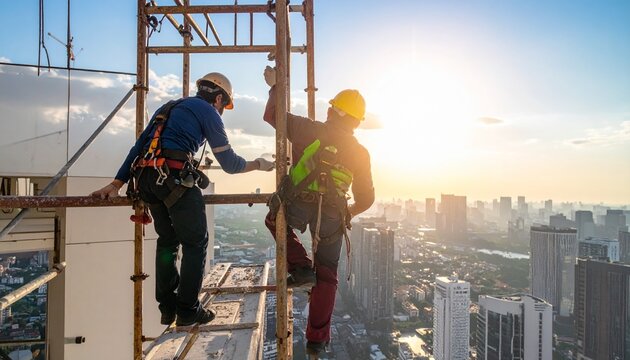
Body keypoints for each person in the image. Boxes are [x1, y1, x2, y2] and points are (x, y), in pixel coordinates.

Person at [90, 72, 274, 327]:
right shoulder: (208, 112)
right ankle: (187, 309)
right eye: (224, 107)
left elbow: (137, 148)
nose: (222, 112)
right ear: (219, 98)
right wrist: (259, 164)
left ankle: (167, 307)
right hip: (172, 178)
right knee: (196, 242)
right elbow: (230, 164)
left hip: (146, 179)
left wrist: (116, 184)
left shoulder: (169, 108)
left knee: (167, 242)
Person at [262, 66, 374, 355]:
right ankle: (317, 339)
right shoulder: (360, 153)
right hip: (334, 212)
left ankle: (299, 267)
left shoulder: (310, 129)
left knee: (274, 219)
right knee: (327, 274)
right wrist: (347, 210)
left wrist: (276, 87)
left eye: (331, 107)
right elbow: (367, 197)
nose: (327, 110)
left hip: (300, 202)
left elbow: (273, 116)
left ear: (335, 112)